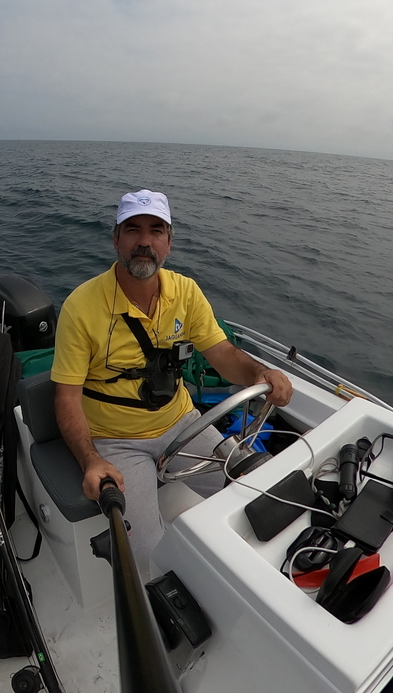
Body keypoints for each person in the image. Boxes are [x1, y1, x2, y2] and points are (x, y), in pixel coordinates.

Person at [50, 189, 293, 576]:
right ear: (116, 239)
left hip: (183, 424)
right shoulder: (81, 307)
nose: (144, 241)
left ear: (169, 242)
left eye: (156, 231)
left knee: (262, 495)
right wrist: (91, 460)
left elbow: (222, 353)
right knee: (148, 554)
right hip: (116, 441)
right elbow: (66, 397)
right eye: (133, 230)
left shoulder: (186, 292)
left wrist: (258, 374)